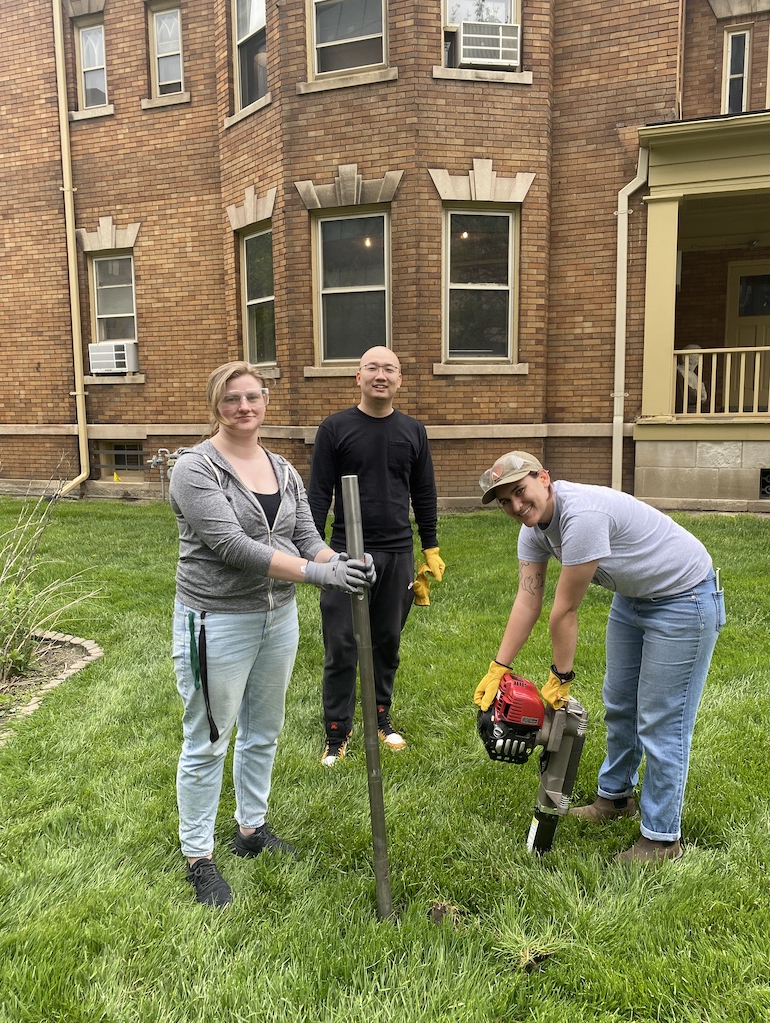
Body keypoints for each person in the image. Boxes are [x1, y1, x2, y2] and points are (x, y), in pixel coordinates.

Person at [169, 361, 375, 907]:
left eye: (253, 397)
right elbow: (234, 547)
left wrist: (343, 562)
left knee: (263, 729)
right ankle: (198, 857)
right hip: (216, 619)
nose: (244, 407)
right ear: (216, 405)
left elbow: (306, 534)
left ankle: (250, 831)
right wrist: (317, 574)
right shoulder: (195, 469)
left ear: (265, 401)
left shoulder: (281, 467)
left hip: (276, 617)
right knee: (209, 738)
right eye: (232, 399)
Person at [474, 451, 724, 863]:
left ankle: (662, 840)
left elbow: (565, 610)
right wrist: (499, 666)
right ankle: (615, 798)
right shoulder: (533, 530)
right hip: (634, 598)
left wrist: (561, 676)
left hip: (685, 599)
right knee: (620, 705)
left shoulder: (582, 516)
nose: (516, 506)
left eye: (520, 492)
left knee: (662, 720)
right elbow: (527, 600)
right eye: (505, 501)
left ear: (545, 480)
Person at [308, 346, 443, 766]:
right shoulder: (335, 429)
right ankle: (337, 732)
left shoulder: (413, 431)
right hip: (346, 551)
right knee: (343, 644)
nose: (380, 375)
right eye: (372, 367)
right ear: (358, 377)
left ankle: (380, 718)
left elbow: (423, 492)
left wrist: (430, 544)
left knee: (387, 641)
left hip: (398, 552)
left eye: (389, 369)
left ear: (399, 380)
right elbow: (317, 494)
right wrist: (315, 554)